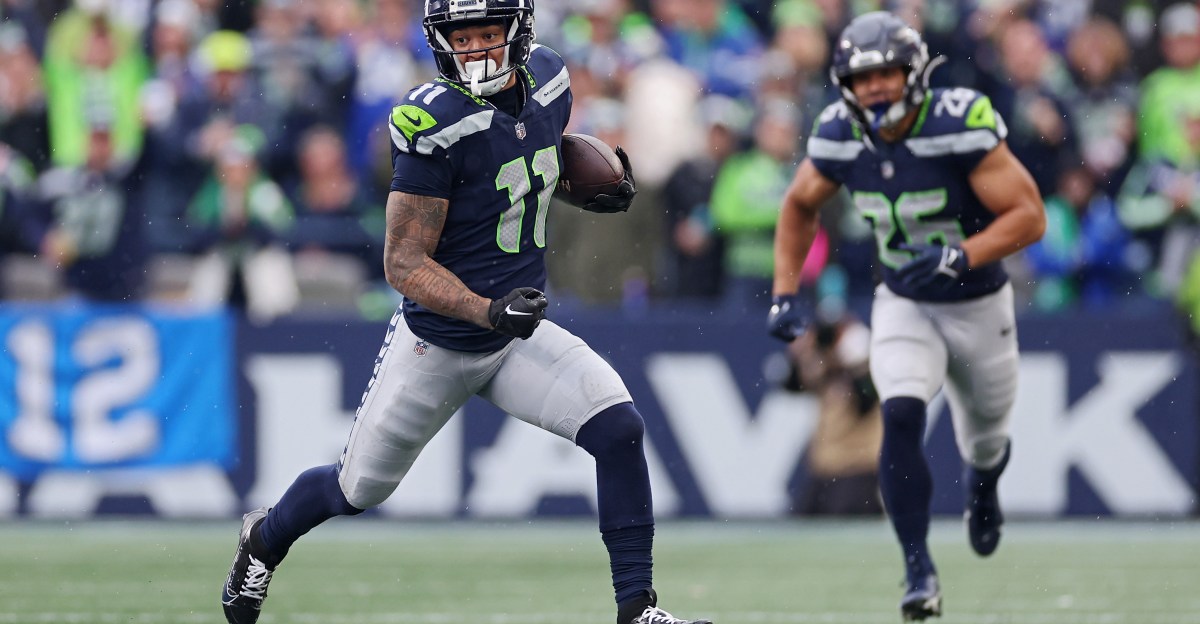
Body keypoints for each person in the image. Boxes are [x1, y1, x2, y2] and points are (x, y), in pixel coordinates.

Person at [220, 3, 710, 624]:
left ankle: (636, 609)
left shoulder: (550, 81)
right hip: (439, 342)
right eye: (462, 36)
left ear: (518, 32)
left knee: (619, 429)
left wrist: (583, 184)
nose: (475, 47)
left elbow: (525, 159)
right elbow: (403, 263)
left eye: (487, 32)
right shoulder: (434, 121)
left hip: (512, 334)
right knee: (355, 488)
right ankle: (264, 539)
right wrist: (487, 309)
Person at [766, 12, 1045, 621]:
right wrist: (784, 291)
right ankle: (918, 569)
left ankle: (983, 487)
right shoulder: (841, 133)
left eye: (886, 74)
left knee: (987, 437)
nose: (874, 89)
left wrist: (961, 254)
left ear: (914, 73)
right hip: (905, 300)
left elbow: (1030, 216)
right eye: (861, 79)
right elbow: (799, 205)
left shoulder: (957, 123)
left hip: (978, 302)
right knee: (899, 411)